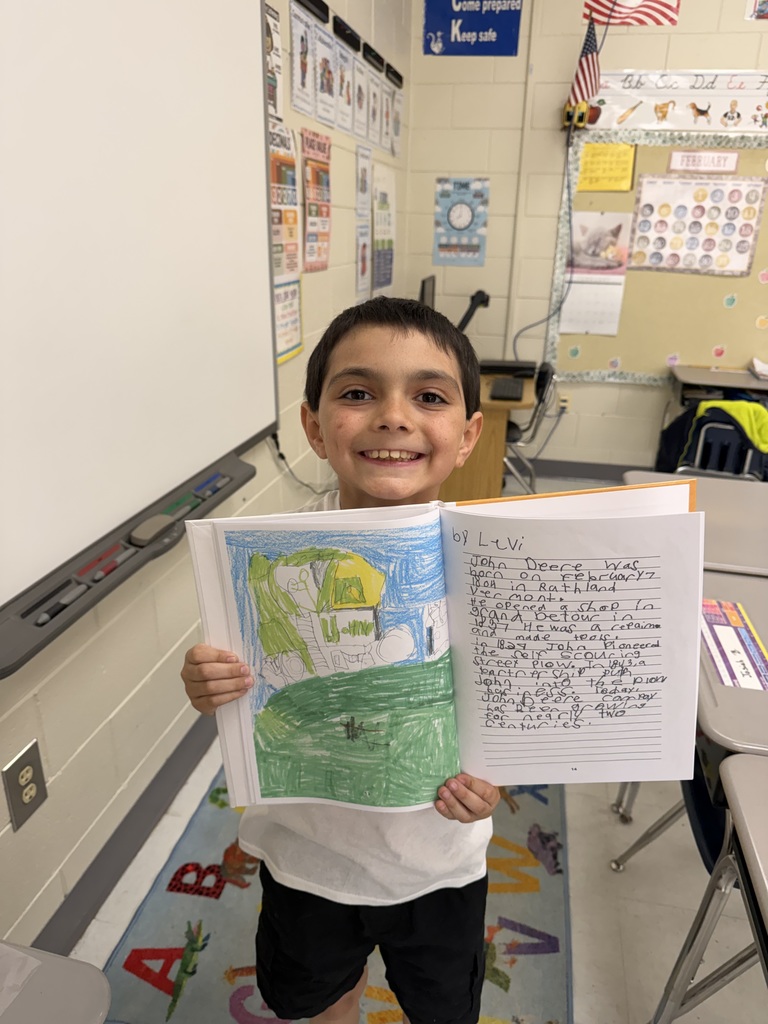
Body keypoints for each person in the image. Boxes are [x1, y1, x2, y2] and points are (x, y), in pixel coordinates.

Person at [181, 296, 500, 1024]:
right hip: (307, 863)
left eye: (428, 396)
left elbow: (520, 707)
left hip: (442, 862)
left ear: (468, 433)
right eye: (358, 393)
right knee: (317, 1001)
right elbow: (251, 694)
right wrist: (210, 683)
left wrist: (500, 774)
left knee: (444, 1007)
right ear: (314, 427)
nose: (393, 415)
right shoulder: (266, 565)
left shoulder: (500, 566)